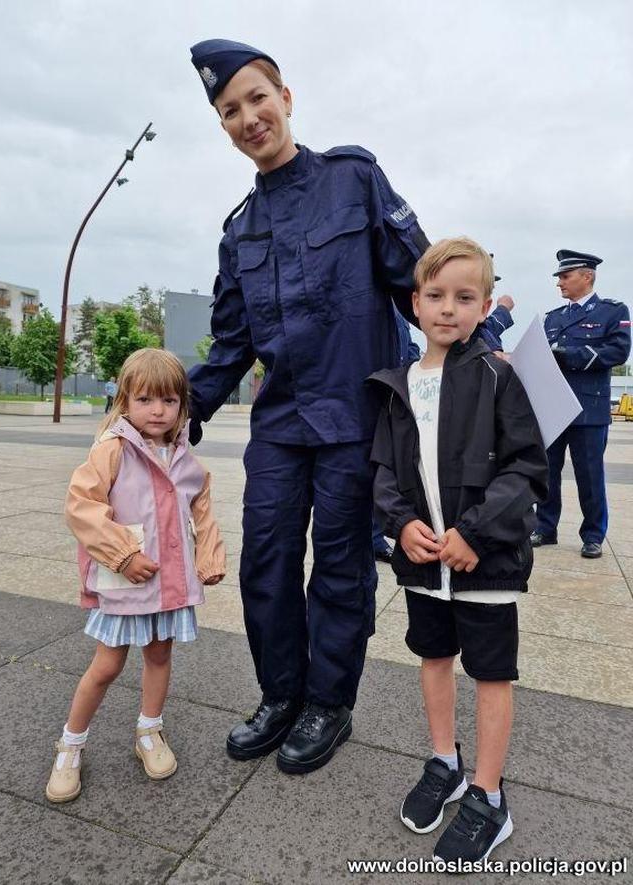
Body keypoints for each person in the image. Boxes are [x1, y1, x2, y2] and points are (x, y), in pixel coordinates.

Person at [187, 39, 430, 773]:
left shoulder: (353, 180)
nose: (248, 117)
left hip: (357, 417)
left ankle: (329, 701)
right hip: (283, 423)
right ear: (224, 127)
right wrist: (171, 409)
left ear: (285, 98)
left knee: (340, 566)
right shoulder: (239, 231)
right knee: (264, 557)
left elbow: (417, 282)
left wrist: (480, 353)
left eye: (257, 98)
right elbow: (230, 345)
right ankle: (280, 693)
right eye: (230, 111)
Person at [369, 238, 547, 864]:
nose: (449, 309)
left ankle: (489, 795)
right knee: (434, 657)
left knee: (492, 674)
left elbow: (526, 467)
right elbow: (385, 471)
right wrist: (400, 524)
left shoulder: (500, 376)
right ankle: (444, 760)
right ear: (415, 304)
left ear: (484, 305)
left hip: (487, 561)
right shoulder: (397, 385)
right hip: (424, 564)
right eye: (436, 296)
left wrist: (475, 530)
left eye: (465, 297)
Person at [45, 349, 226, 803]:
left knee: (159, 656)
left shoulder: (187, 460)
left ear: (182, 405)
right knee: (106, 665)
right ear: (124, 400)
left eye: (168, 400)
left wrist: (209, 557)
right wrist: (122, 555)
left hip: (167, 587)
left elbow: (202, 512)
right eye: (145, 399)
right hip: (126, 585)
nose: (157, 410)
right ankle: (70, 744)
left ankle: (149, 730)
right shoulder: (111, 450)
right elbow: (81, 508)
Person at [531, 250, 631, 558]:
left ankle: (592, 535)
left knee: (590, 474)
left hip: (588, 408)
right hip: (553, 407)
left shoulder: (612, 312)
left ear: (586, 276)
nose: (559, 283)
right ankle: (545, 528)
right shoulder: (552, 318)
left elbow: (618, 351)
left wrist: (570, 356)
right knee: (546, 472)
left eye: (565, 276)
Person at [373, 308, 420, 563]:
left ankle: (377, 537)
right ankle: (373, 539)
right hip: (374, 400)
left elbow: (409, 349)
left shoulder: (399, 314)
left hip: (396, 399)